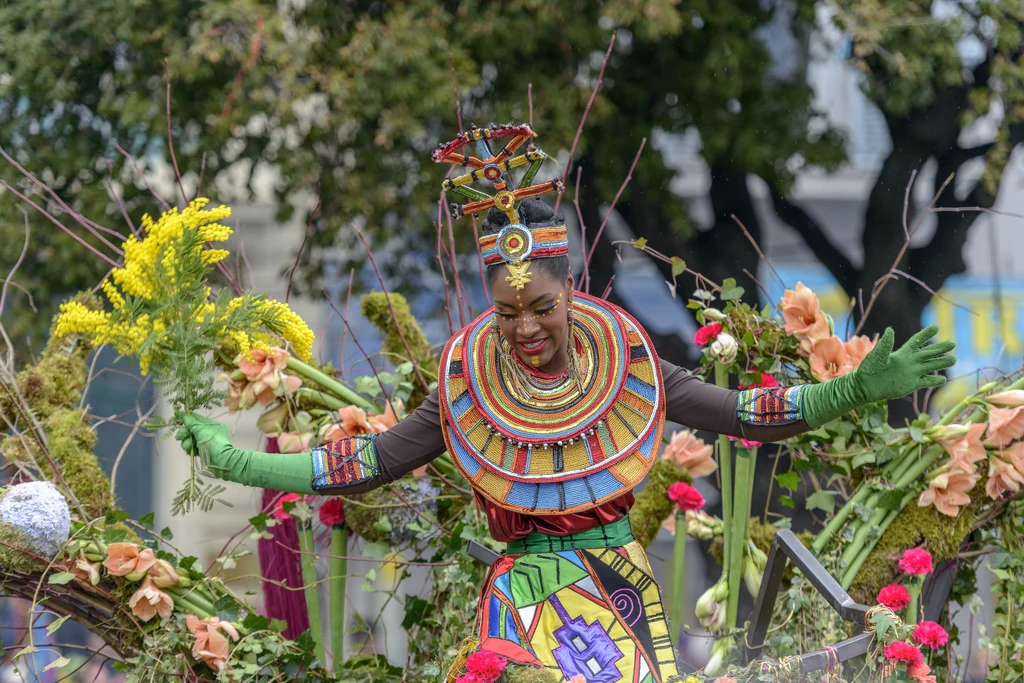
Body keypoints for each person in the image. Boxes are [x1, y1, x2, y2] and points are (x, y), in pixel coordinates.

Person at [176, 131, 955, 683]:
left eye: (541, 307)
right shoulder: (466, 380)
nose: (523, 328)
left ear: (571, 290)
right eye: (506, 313)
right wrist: (245, 458)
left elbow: (746, 412)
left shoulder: (635, 369)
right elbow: (366, 460)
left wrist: (853, 388)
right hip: (517, 602)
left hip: (616, 594)